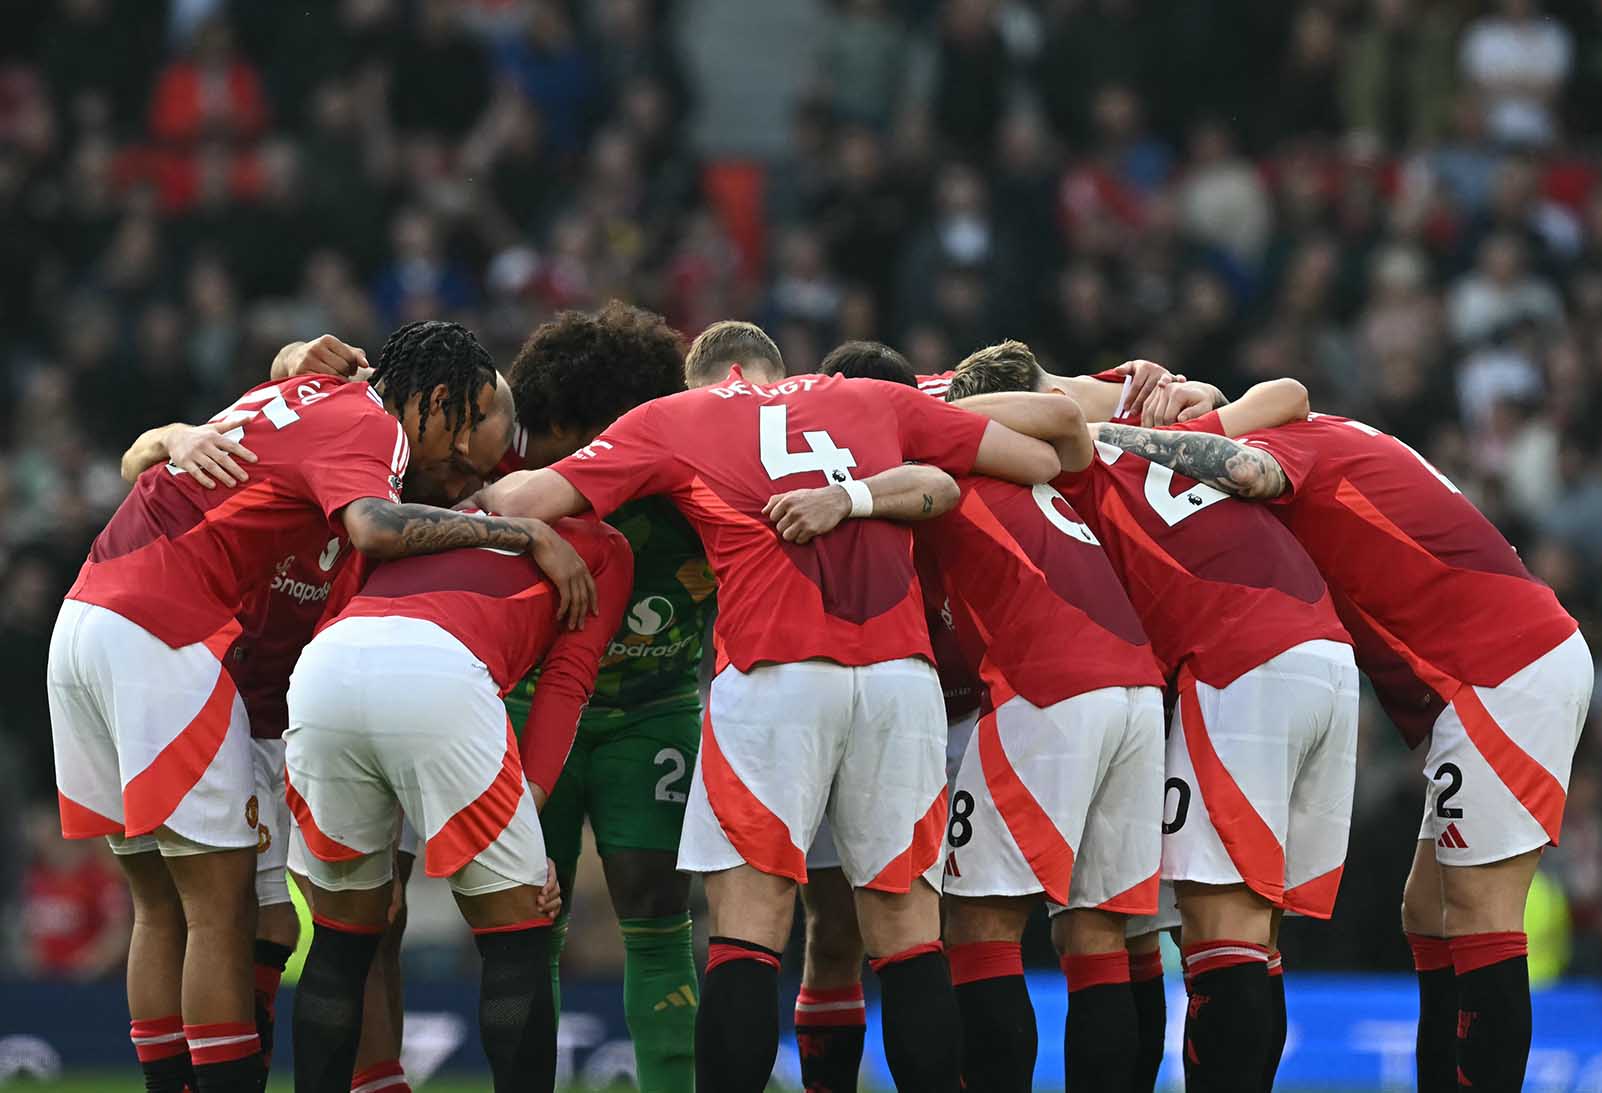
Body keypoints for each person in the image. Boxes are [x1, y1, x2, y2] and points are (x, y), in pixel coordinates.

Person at [475, 319, 1065, 1092]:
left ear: (705, 378)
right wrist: (871, 490)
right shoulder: (868, 397)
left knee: (748, 933)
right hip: (899, 677)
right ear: (772, 368)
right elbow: (1039, 458)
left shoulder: (676, 418)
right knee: (907, 935)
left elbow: (522, 496)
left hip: (773, 672)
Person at [48, 319, 589, 1093]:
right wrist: (520, 530)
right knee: (215, 912)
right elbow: (370, 526)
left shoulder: (309, 394)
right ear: (437, 401)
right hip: (170, 637)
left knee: (200, 911)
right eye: (464, 440)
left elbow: (170, 453)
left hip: (93, 617)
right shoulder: (370, 434)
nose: (463, 468)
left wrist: (177, 429)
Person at [1093, 397, 1591, 1093]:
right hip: (1489, 668)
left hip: (1501, 666)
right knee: (1427, 910)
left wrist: (1107, 437)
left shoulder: (1289, 445)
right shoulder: (1325, 429)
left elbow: (1246, 468)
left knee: (1480, 912)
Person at [948, 344, 1359, 1093]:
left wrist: (928, 416)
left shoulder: (1081, 460)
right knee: (1255, 935)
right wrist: (1203, 405)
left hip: (1236, 661)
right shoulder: (1165, 428)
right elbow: (1291, 389)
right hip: (1324, 650)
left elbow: (1061, 418)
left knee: (1217, 934)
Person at [810, 341, 1166, 1093]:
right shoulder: (987, 442)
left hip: (1048, 683)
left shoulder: (923, 444)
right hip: (1134, 684)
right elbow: (1079, 404)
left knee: (979, 927)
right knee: (1096, 931)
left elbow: (1061, 410)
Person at [284, 512, 632, 1093]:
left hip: (324, 667)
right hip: (440, 668)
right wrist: (527, 816)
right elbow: (567, 681)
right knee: (517, 934)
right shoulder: (601, 544)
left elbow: (348, 613)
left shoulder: (434, 515)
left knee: (340, 941)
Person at [496, 303, 707, 1093]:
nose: (534, 448)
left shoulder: (693, 481)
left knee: (656, 911)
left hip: (653, 711)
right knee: (526, 919)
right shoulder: (510, 483)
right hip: (529, 705)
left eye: (550, 432)